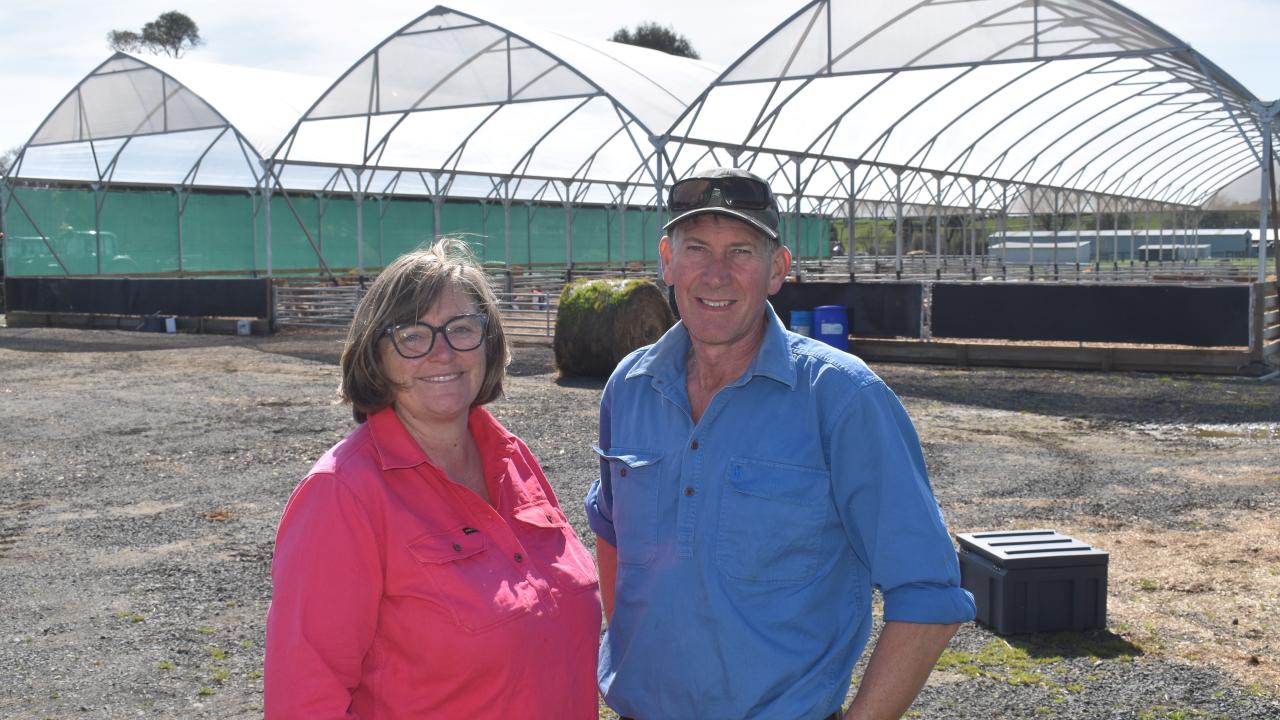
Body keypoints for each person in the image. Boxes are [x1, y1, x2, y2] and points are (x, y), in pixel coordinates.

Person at [585, 168, 976, 720]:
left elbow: (930, 593)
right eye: (697, 248)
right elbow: (610, 531)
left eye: (741, 251)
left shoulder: (841, 398)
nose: (716, 275)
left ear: (778, 270)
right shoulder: (630, 387)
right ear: (668, 260)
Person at [265, 237, 601, 719]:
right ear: (376, 354)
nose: (442, 353)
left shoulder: (512, 458)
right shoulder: (343, 493)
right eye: (412, 335)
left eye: (461, 329)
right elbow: (303, 700)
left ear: (487, 342)